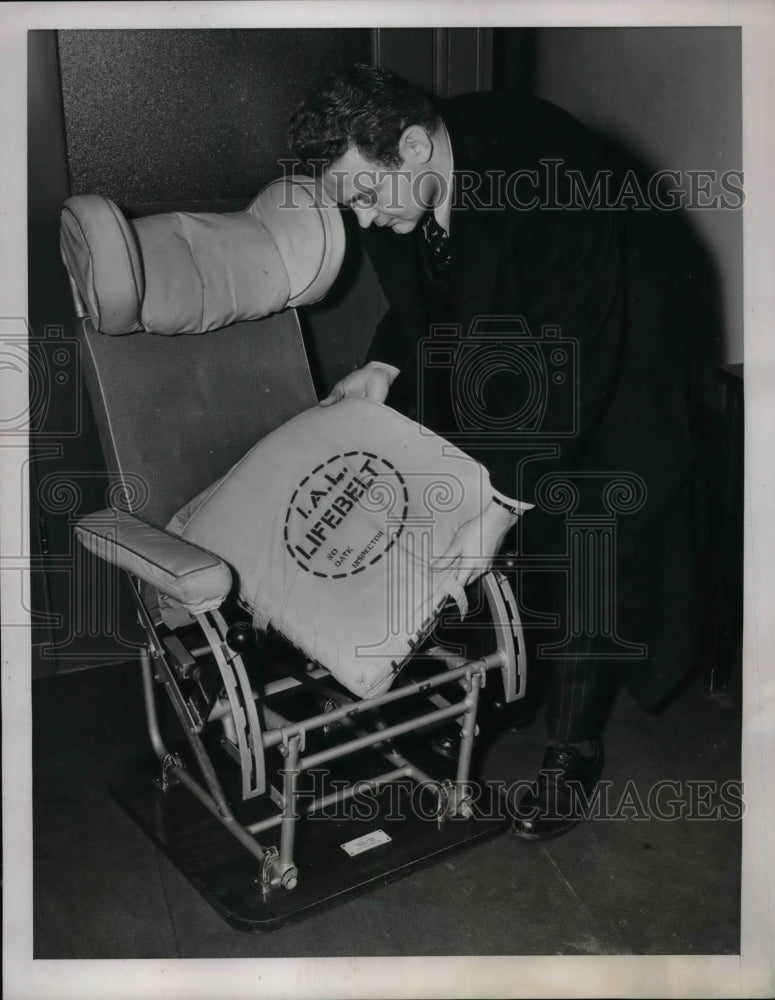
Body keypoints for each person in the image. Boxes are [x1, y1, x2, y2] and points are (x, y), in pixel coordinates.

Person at [286, 64, 702, 840]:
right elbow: (430, 293)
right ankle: (481, 696)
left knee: (587, 543)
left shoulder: (551, 172)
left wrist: (498, 499)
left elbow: (569, 362)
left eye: (366, 196)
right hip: (522, 352)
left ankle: (570, 756)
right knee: (471, 510)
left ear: (411, 146)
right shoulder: (413, 174)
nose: (366, 222)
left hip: (616, 364)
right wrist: (383, 363)